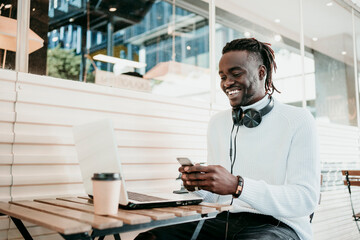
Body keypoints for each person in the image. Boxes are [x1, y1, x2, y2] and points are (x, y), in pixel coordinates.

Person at [135, 38, 320, 240]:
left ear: (261, 73)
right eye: (222, 76)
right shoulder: (218, 123)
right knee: (150, 238)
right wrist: (198, 185)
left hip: (279, 224)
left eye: (236, 73)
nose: (227, 83)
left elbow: (305, 199)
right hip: (223, 219)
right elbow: (217, 197)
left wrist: (238, 186)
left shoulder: (298, 120)